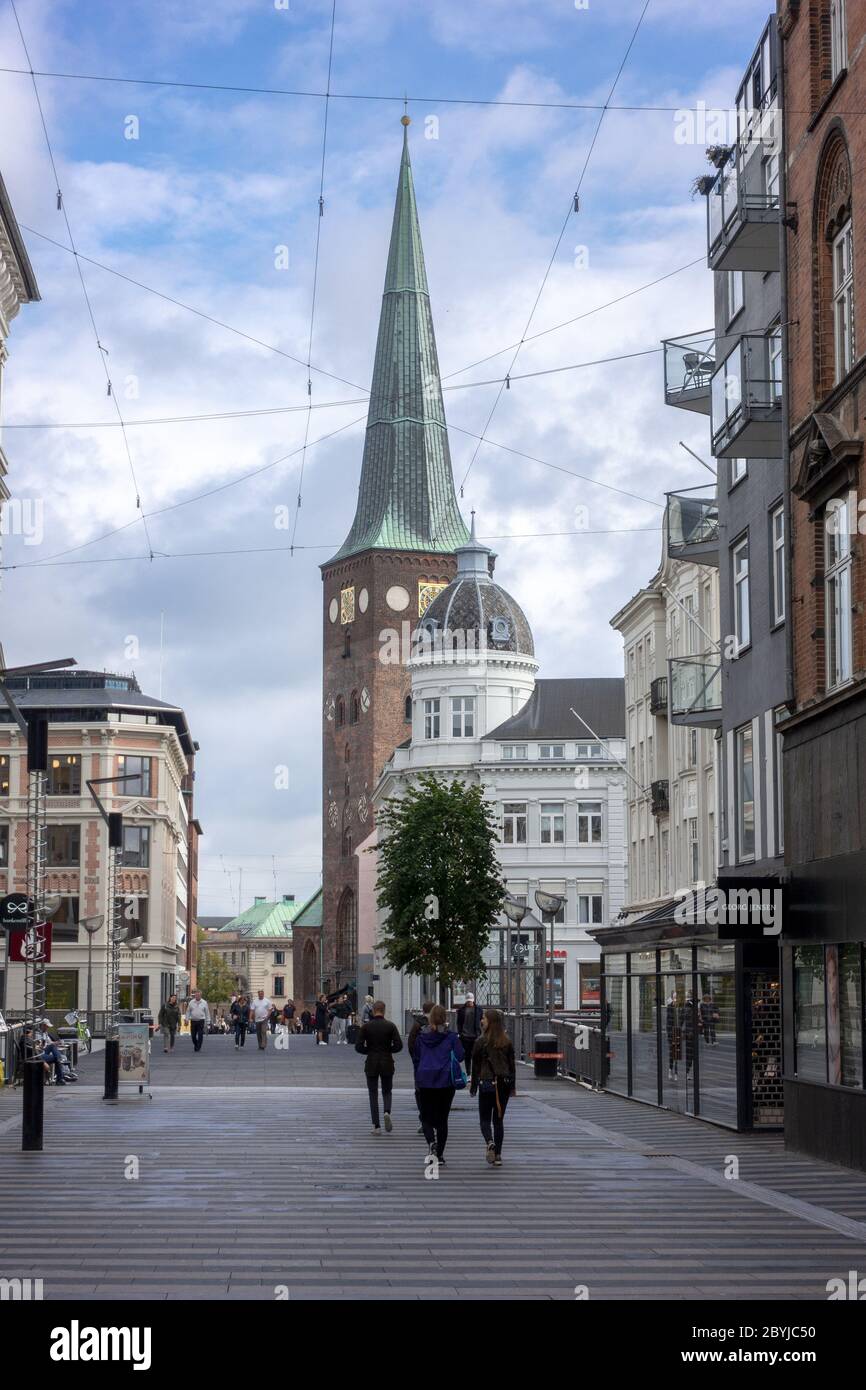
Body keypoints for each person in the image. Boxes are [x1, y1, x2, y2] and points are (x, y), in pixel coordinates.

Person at [412, 1004, 464, 1167]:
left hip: (425, 1079)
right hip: (445, 1081)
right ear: (445, 1018)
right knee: (442, 1118)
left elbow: (416, 1057)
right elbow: (461, 1056)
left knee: (426, 1116)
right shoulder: (451, 1037)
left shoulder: (422, 1037)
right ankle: (439, 1155)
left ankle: (431, 1143)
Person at [469, 1009, 516, 1167]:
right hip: (503, 1084)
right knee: (499, 1121)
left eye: (483, 1018)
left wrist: (473, 1086)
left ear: (490, 1022)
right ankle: (498, 1156)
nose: (481, 1021)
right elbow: (511, 1066)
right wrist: (513, 1087)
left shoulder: (480, 1042)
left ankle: (489, 1142)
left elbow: (475, 1066)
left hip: (486, 1083)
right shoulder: (507, 1041)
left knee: (484, 1119)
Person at [355, 1000, 403, 1134]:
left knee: (373, 1093)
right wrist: (389, 1049)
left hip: (371, 1062)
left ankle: (376, 1126)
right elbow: (399, 1045)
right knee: (387, 1091)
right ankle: (387, 1111)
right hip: (387, 1061)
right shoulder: (390, 1026)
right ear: (384, 1010)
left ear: (373, 1010)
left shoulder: (366, 1027)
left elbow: (358, 1046)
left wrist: (368, 1051)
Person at [407, 1001, 435, 1134]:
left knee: (420, 1092)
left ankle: (423, 1119)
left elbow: (411, 1043)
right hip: (436, 1065)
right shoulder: (439, 1024)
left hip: (421, 1064)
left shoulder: (417, 1024)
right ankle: (433, 1120)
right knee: (435, 1092)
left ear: (423, 1010)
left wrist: (415, 1059)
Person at [456, 992, 483, 1072]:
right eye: (468, 1001)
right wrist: (460, 1033)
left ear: (473, 1000)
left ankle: (474, 1072)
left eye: (470, 1001)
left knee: (475, 1055)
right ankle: (468, 1072)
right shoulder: (461, 1010)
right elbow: (459, 1023)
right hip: (465, 1036)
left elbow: (481, 1020)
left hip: (475, 1035)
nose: (469, 1003)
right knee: (467, 1055)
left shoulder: (478, 1009)